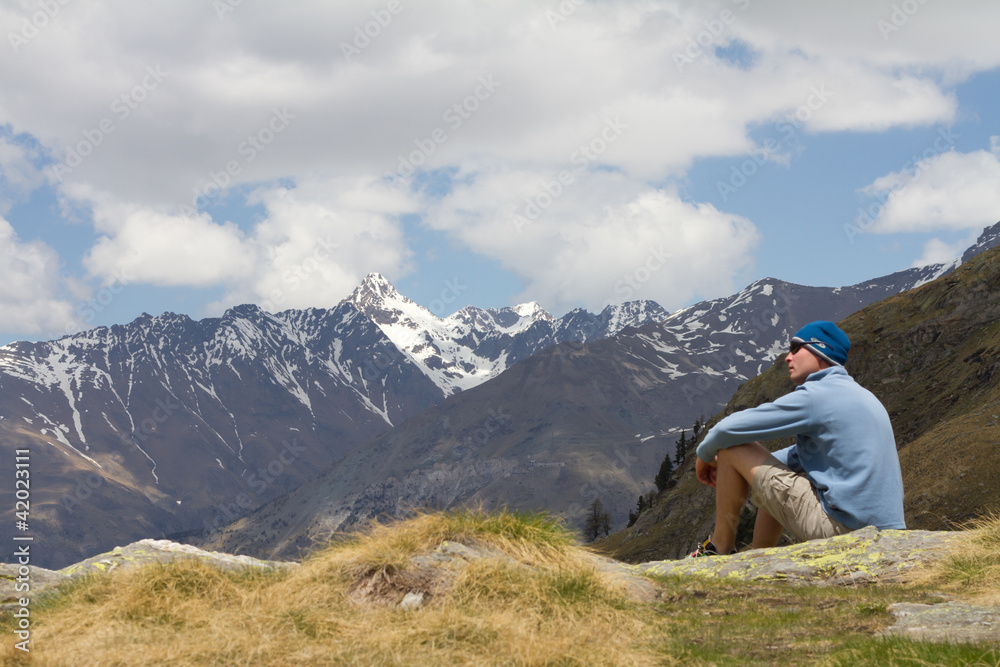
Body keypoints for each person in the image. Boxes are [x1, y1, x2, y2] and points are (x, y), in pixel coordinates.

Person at [689, 320, 905, 557]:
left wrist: (706, 456)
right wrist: (736, 468)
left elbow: (725, 431)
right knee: (769, 477)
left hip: (845, 531)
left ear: (820, 350)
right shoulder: (862, 396)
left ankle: (717, 550)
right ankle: (759, 557)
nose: (787, 358)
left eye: (795, 348)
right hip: (888, 534)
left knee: (731, 447)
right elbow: (801, 455)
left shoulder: (819, 396)